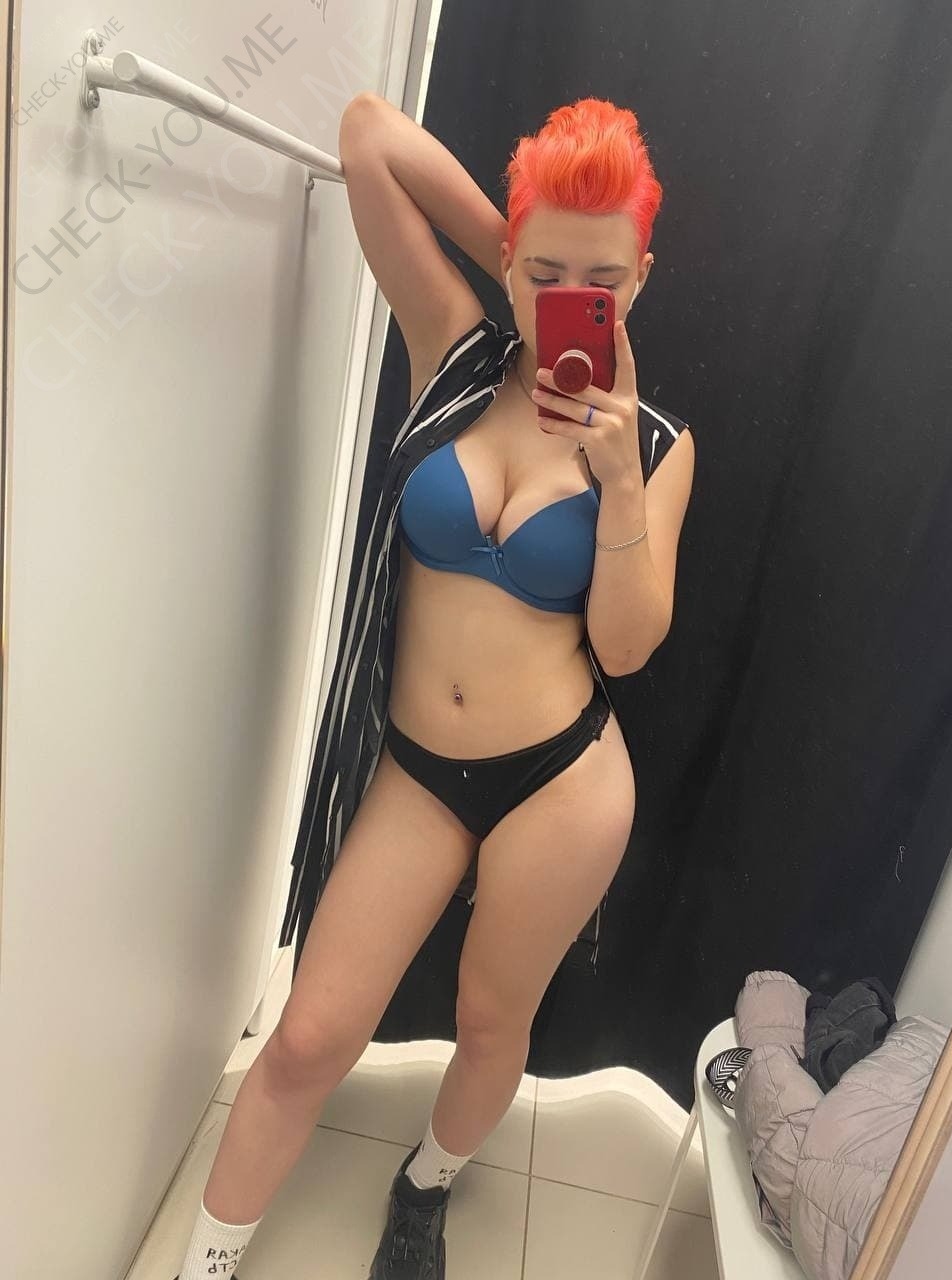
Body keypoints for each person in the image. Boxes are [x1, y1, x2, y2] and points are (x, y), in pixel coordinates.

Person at [175, 94, 694, 1280]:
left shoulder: (659, 446)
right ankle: (202, 1264)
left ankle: (426, 1187)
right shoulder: (453, 346)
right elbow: (368, 133)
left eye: (602, 281)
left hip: (562, 783)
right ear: (508, 260)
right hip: (417, 770)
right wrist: (517, 267)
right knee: (307, 1037)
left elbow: (626, 650)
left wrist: (618, 482)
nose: (573, 300)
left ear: (642, 280)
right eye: (546, 270)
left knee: (490, 1020)